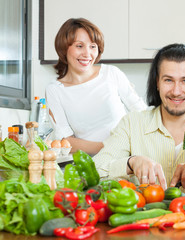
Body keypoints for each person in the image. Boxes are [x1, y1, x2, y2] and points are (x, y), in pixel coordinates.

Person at [93, 43, 185, 193]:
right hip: (142, 216)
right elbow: (94, 172)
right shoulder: (131, 123)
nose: (176, 91)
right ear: (157, 82)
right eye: (168, 80)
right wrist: (131, 163)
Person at [45, 18, 147, 156]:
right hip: (89, 165)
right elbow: (66, 141)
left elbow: (143, 114)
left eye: (93, 46)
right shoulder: (55, 90)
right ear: (64, 48)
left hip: (128, 160)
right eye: (79, 46)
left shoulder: (111, 74)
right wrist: (113, 147)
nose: (87, 54)